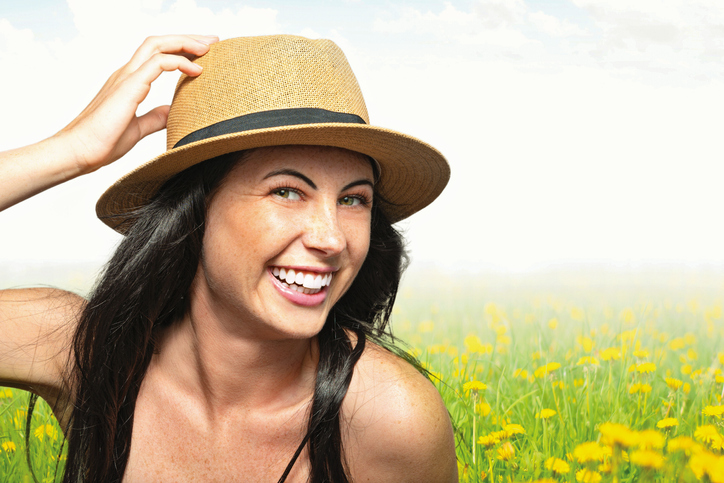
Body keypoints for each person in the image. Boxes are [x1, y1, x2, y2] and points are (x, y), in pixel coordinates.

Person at [0, 34, 456, 482]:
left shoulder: (391, 418)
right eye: (286, 191)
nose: (332, 239)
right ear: (193, 213)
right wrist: (71, 151)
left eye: (354, 199)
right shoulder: (85, 351)